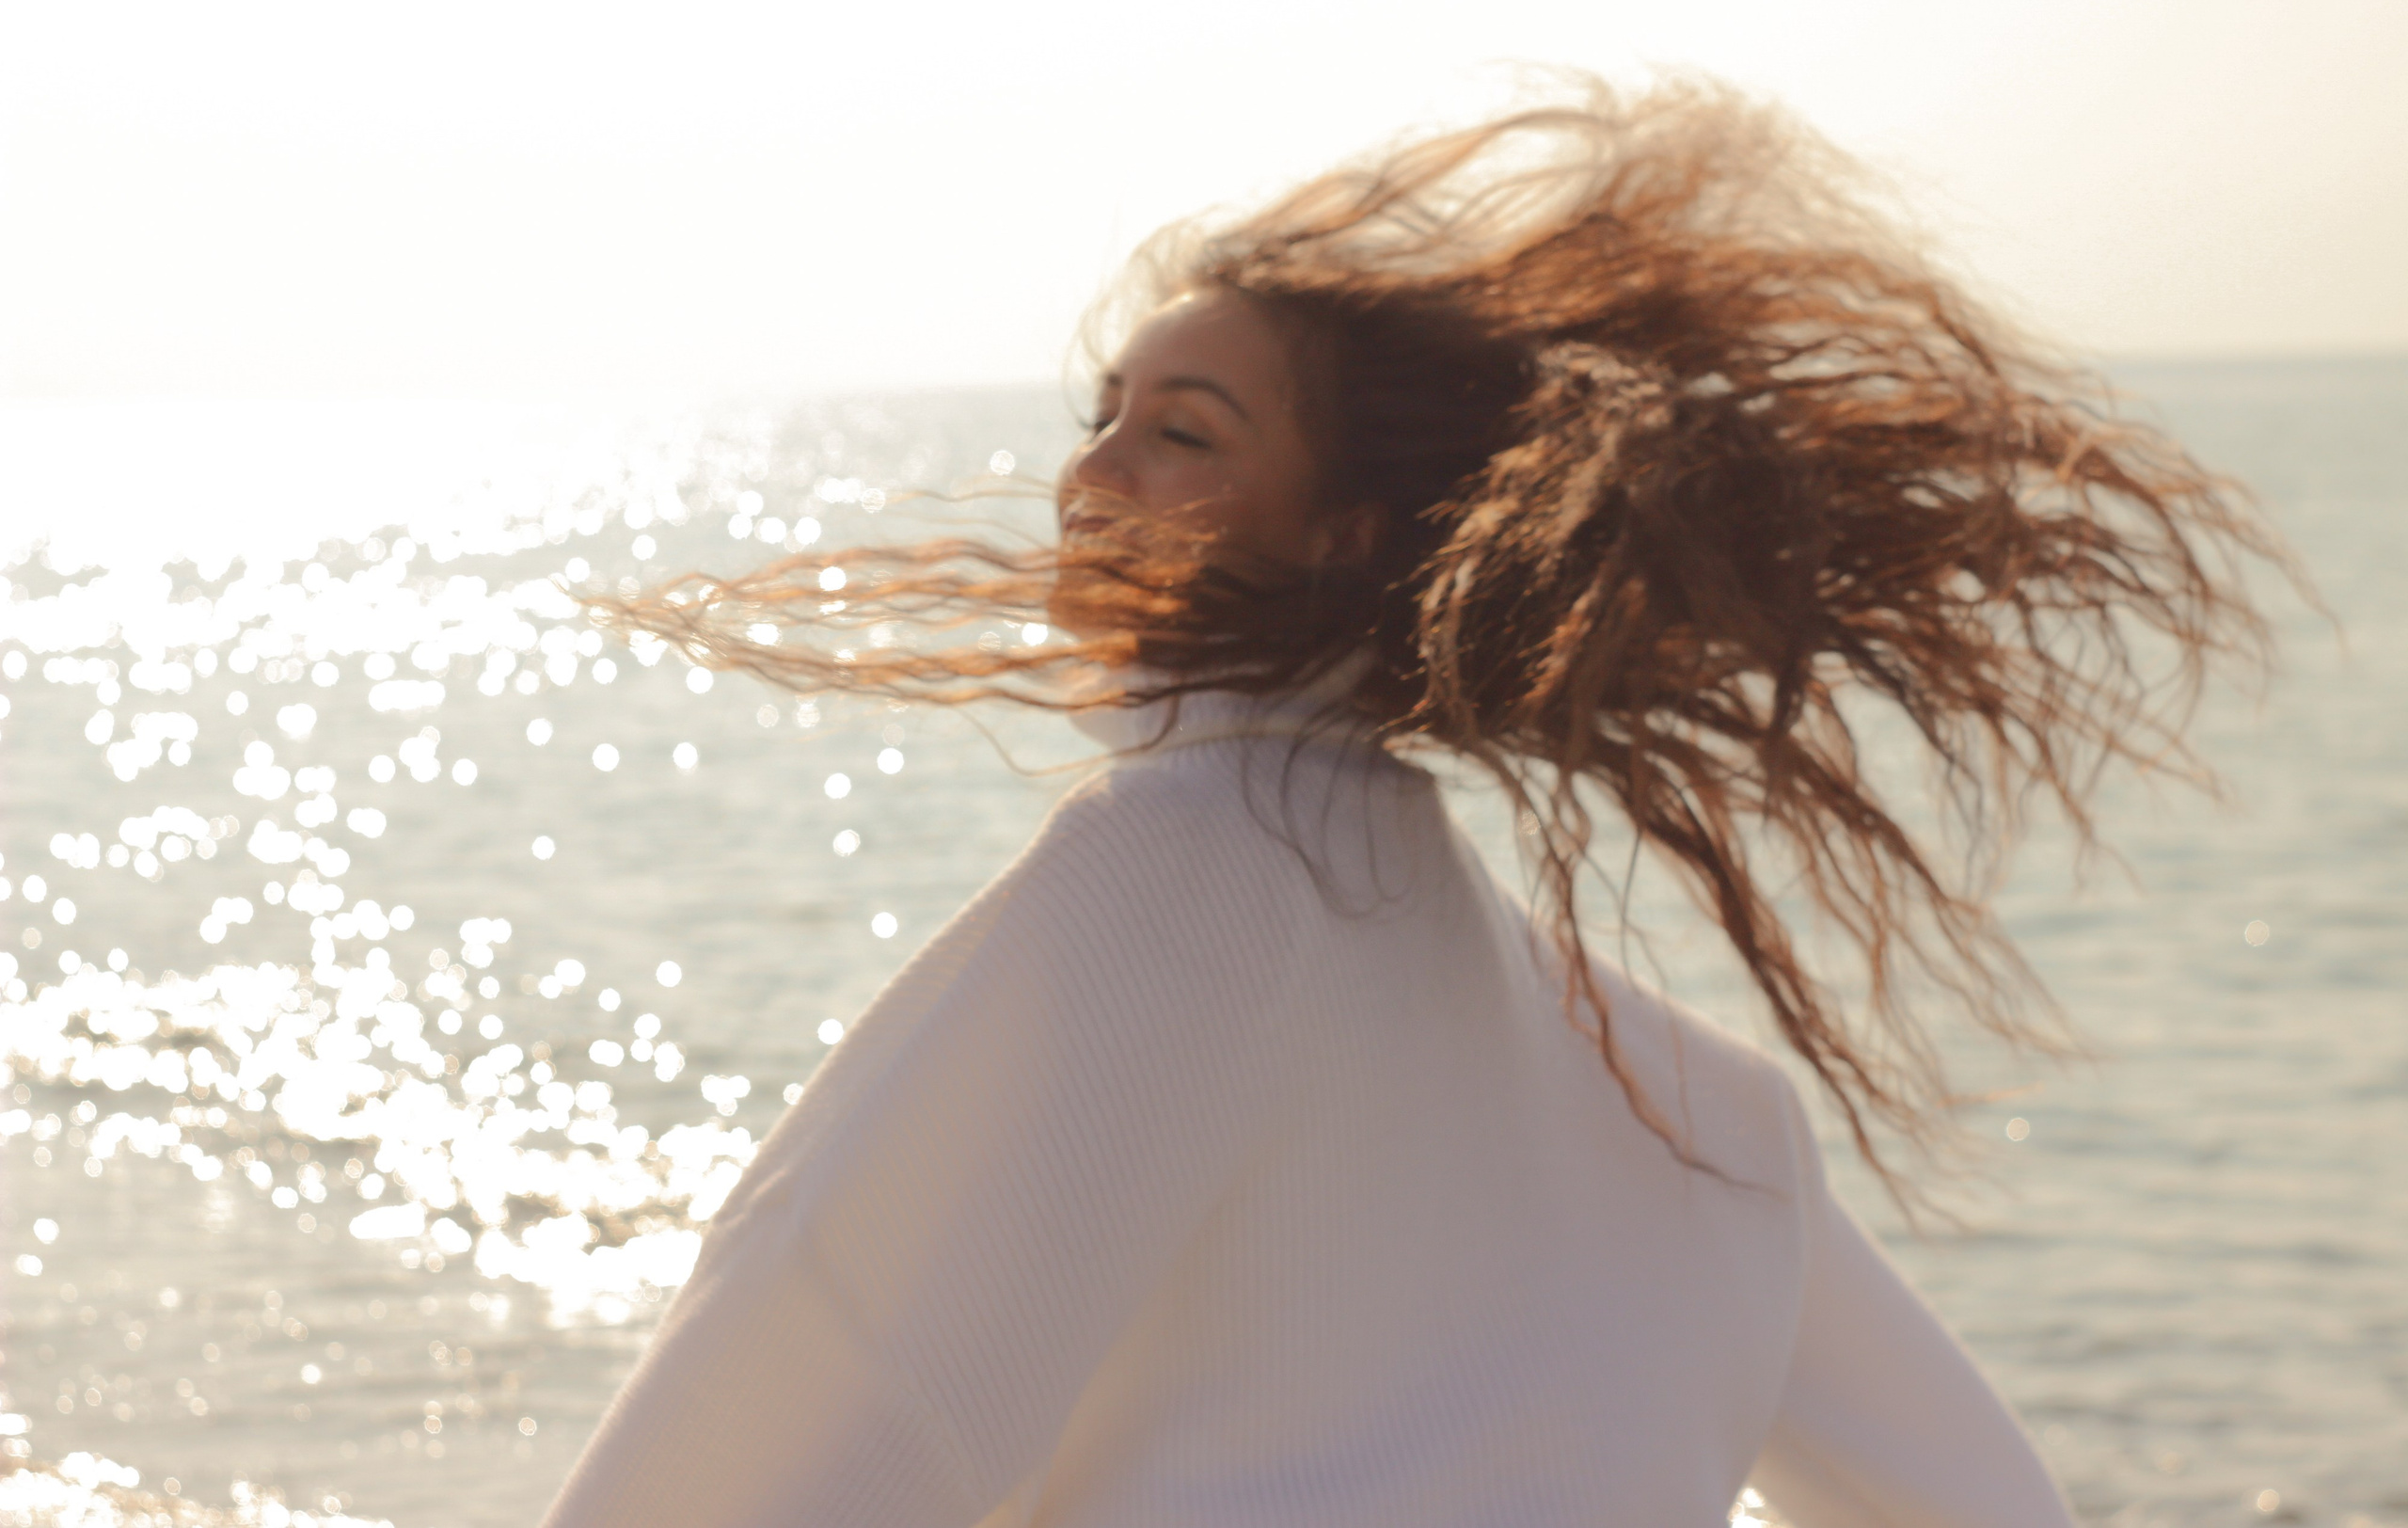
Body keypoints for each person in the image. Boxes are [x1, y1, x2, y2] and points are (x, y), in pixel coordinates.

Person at [542, 75, 2280, 1526]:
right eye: (1108, 412)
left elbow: (820, 1392)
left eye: (1186, 431)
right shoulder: (1691, 1104)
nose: (1095, 471)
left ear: (1348, 535)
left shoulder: (1188, 865)